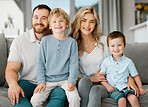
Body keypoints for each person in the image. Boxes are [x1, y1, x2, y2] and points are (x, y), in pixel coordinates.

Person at [69, 6, 140, 107]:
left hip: (107, 83)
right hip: (84, 84)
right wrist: (92, 78)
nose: (87, 25)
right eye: (83, 20)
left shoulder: (104, 41)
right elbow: (70, 75)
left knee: (95, 90)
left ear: (96, 24)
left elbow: (120, 62)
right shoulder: (72, 44)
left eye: (92, 21)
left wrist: (130, 79)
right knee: (84, 82)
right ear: (78, 21)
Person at [5, 4, 67, 107]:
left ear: (51, 21)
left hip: (53, 84)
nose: (39, 21)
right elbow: (11, 69)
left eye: (44, 18)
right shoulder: (20, 41)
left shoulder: (60, 39)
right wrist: (12, 84)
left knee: (60, 95)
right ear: (32, 18)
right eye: (36, 17)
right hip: (28, 83)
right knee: (14, 91)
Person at [30, 8, 81, 107]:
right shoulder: (45, 41)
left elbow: (74, 64)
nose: (58, 24)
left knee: (75, 99)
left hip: (66, 80)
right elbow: (40, 63)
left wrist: (71, 81)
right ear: (50, 25)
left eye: (61, 21)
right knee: (35, 100)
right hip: (48, 80)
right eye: (54, 21)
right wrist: (41, 82)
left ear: (66, 24)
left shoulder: (72, 42)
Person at [99, 31, 147, 107]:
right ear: (108, 47)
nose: (116, 48)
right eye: (113, 46)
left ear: (124, 45)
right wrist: (107, 86)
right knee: (122, 101)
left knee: (133, 99)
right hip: (114, 89)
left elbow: (135, 76)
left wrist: (140, 88)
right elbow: (101, 78)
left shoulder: (128, 62)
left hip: (126, 87)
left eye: (119, 45)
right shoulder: (105, 62)